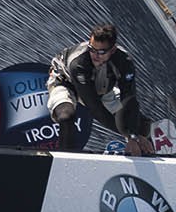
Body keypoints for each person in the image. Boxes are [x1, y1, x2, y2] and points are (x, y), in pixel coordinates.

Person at [47, 23, 155, 155]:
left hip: (101, 87)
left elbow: (129, 99)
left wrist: (134, 134)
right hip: (66, 82)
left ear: (113, 50)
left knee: (141, 125)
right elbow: (94, 108)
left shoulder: (124, 61)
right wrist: (130, 134)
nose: (95, 55)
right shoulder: (79, 63)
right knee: (66, 115)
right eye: (92, 49)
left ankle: (150, 161)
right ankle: (65, 162)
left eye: (101, 52)